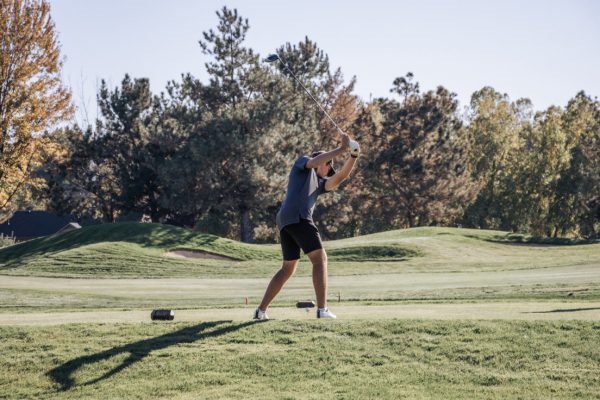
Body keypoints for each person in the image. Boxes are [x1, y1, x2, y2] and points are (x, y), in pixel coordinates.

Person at [254, 133, 360, 320]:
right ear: (324, 162)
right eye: (329, 166)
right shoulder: (303, 164)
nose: (329, 171)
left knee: (288, 269)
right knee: (320, 259)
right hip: (298, 217)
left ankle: (260, 311)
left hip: (285, 221)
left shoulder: (319, 184)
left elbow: (341, 177)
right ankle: (322, 310)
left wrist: (353, 155)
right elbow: (315, 162)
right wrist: (340, 150)